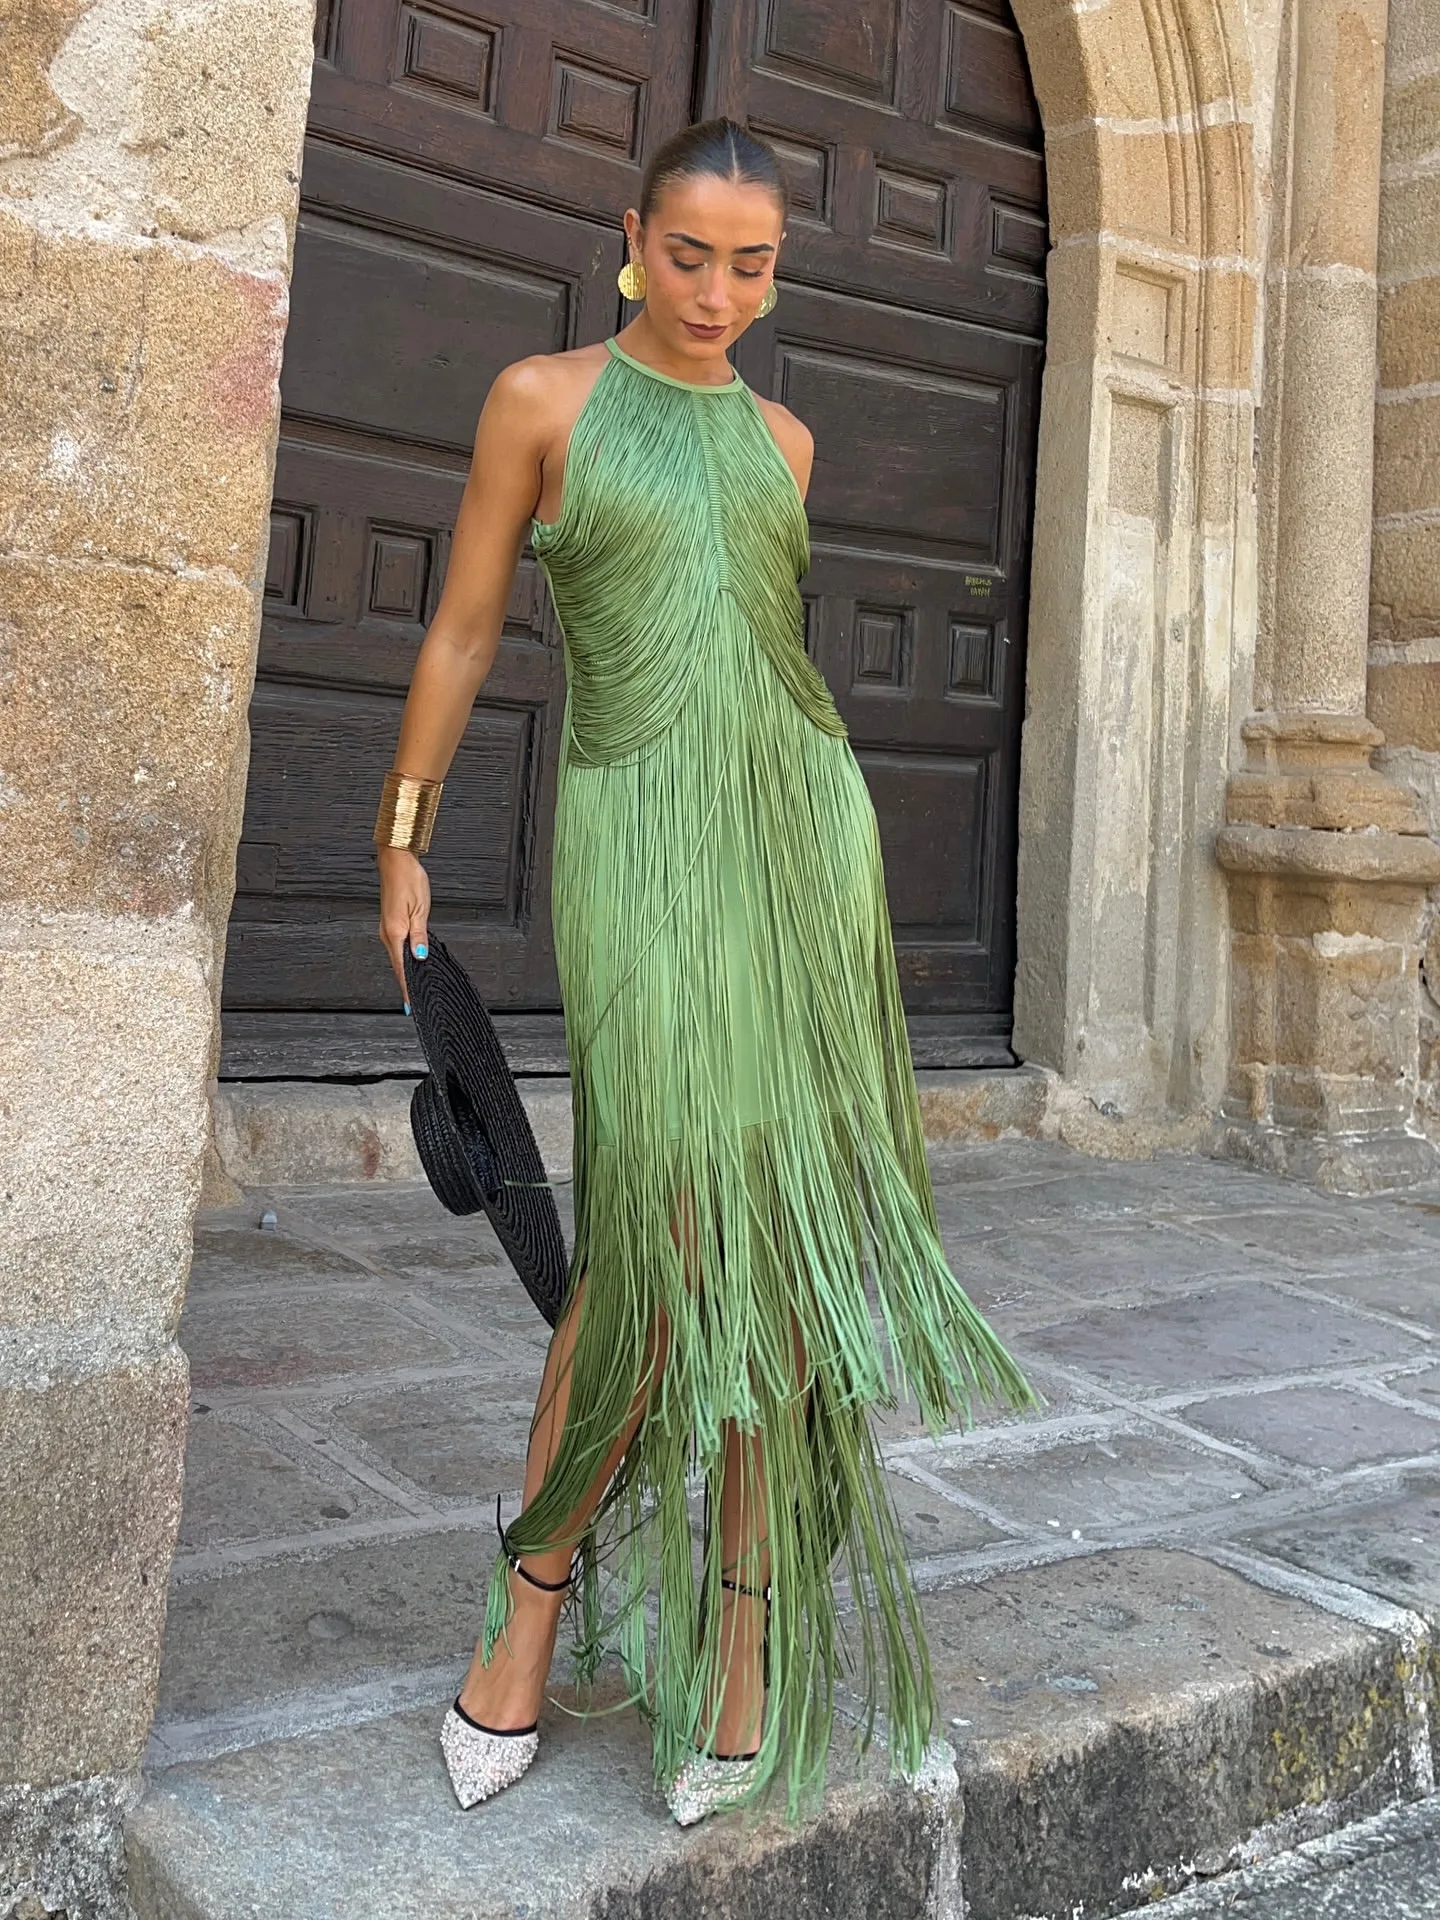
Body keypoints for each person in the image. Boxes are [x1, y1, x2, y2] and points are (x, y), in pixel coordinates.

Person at [373, 116, 1035, 1828]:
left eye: (752, 265)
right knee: (661, 1233)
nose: (717, 292)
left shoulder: (787, 442)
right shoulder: (543, 401)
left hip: (798, 838)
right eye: (689, 255)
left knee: (772, 1243)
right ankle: (531, 1601)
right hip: (633, 835)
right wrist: (403, 827)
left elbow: (768, 671)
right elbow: (465, 624)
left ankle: (740, 1634)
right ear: (630, 235)